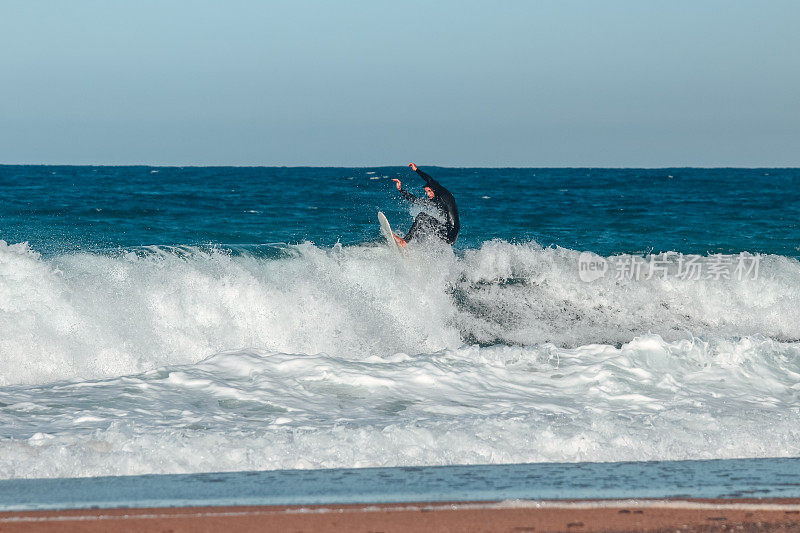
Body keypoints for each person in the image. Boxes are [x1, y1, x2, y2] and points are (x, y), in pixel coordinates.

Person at [391, 163, 459, 247]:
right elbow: (415, 200)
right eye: (426, 192)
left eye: (429, 191)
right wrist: (400, 190)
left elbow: (430, 180)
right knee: (422, 225)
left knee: (421, 216)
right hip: (448, 234)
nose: (428, 194)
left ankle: (404, 242)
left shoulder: (444, 194)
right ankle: (413, 248)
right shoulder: (435, 201)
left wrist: (416, 170)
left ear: (435, 189)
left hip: (451, 232)